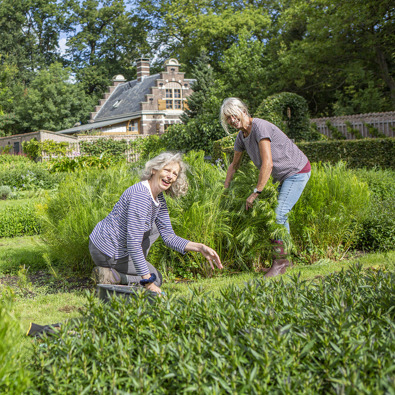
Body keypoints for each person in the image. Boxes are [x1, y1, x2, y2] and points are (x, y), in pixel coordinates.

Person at [89, 152, 223, 294]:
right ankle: (112, 276)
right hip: (108, 251)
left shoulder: (158, 199)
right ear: (154, 170)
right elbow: (134, 243)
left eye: (174, 174)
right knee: (156, 278)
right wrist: (148, 282)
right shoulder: (141, 195)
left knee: (155, 229)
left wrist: (200, 247)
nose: (170, 176)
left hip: (113, 249)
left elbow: (169, 237)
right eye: (166, 170)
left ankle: (113, 275)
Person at [220, 97, 311, 278]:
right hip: (283, 177)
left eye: (233, 115)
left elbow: (267, 164)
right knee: (280, 216)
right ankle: (286, 260)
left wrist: (256, 192)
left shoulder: (260, 127)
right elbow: (234, 165)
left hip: (296, 171)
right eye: (228, 119)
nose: (231, 120)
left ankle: (281, 262)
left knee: (278, 215)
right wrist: (225, 188)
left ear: (243, 111)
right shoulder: (241, 137)